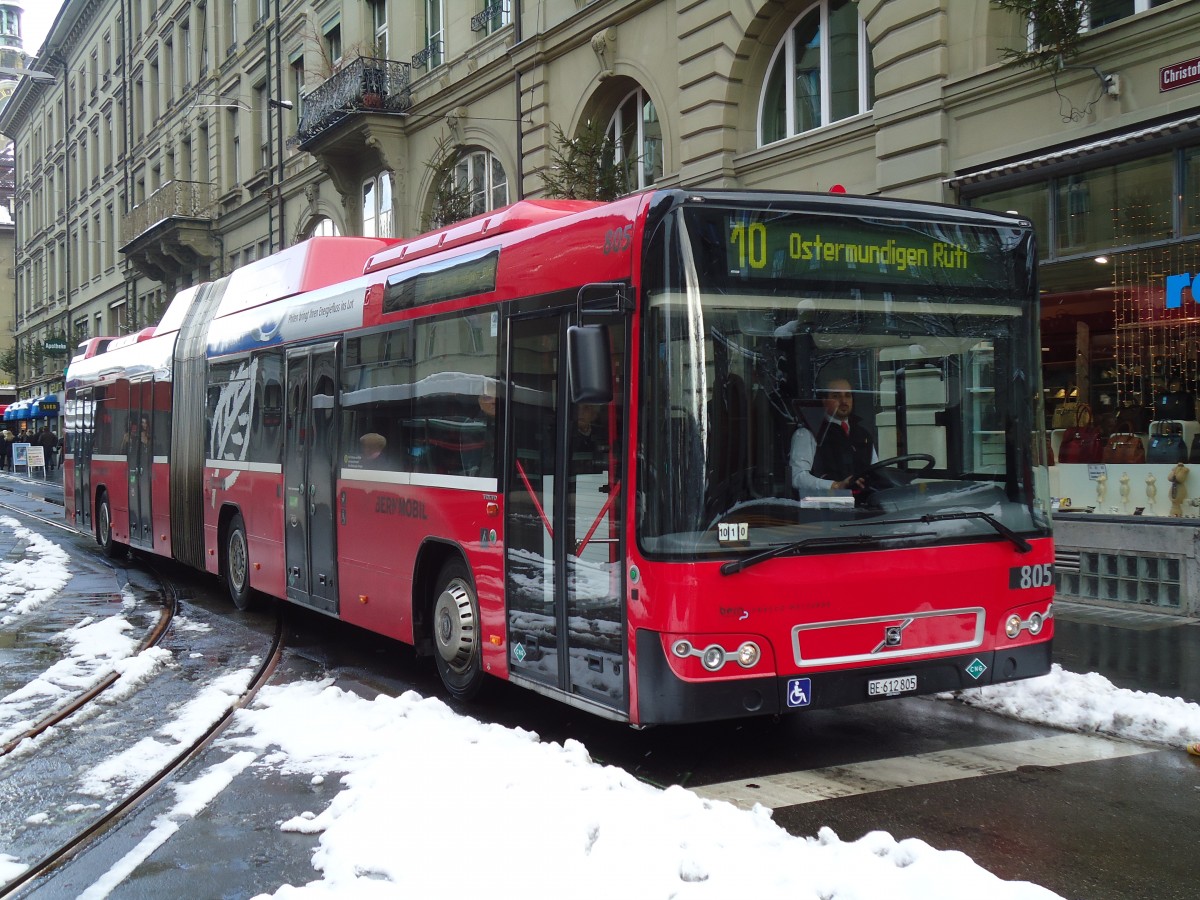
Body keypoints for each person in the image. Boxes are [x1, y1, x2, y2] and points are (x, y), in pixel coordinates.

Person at [789, 376, 878, 495]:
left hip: (864, 503)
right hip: (824, 504)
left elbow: (876, 472)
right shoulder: (808, 433)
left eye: (848, 395)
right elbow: (797, 477)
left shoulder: (863, 435)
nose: (844, 401)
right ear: (824, 401)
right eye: (836, 396)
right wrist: (836, 485)